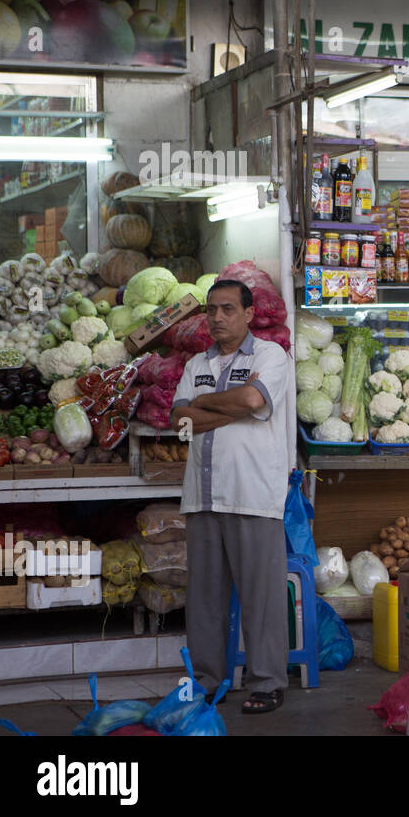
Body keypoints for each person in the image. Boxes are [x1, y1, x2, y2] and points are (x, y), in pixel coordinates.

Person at [171, 280, 295, 711]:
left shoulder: (270, 356)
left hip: (253, 495)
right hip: (202, 497)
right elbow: (180, 423)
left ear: (248, 314)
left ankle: (266, 683)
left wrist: (206, 404)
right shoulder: (195, 364)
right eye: (211, 310)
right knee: (204, 601)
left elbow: (252, 397)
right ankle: (205, 681)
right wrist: (234, 409)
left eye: (227, 309)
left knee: (261, 599)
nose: (217, 318)